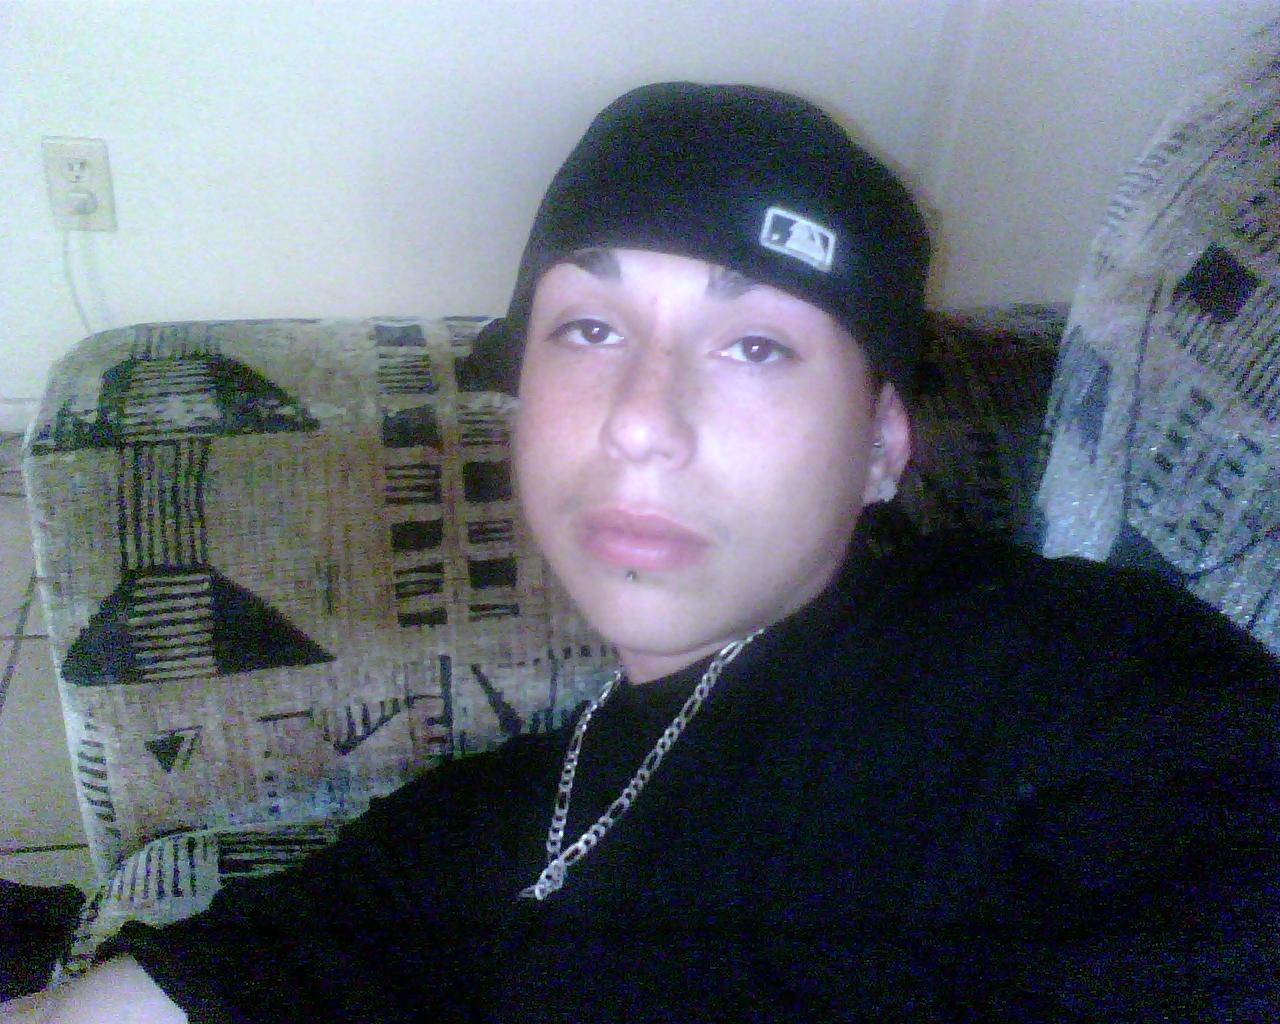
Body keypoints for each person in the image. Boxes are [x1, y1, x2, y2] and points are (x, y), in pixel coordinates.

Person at [6, 82, 1278, 1023]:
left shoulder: (1070, 673)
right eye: (589, 329)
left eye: (755, 346)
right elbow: (191, 985)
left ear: (882, 445)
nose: (640, 422)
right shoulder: (500, 809)